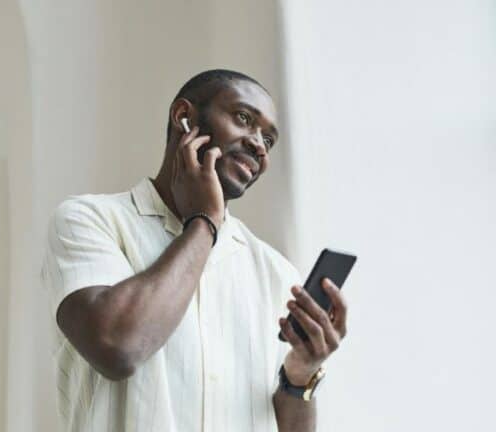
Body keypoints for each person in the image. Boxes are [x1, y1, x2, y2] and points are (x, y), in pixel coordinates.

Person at [41, 69, 348, 432]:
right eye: (244, 119)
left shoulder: (277, 273)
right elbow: (117, 346)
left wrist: (300, 377)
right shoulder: (91, 220)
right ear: (183, 117)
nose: (259, 146)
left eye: (269, 139)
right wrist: (205, 221)